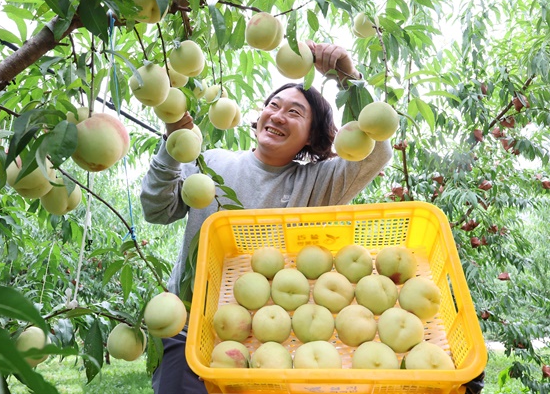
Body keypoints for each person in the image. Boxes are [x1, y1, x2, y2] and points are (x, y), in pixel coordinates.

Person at [140, 41, 393, 394]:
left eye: (294, 112)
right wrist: (173, 145)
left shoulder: (318, 182)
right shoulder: (211, 163)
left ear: (311, 137)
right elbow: (156, 210)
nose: (277, 115)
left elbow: (377, 152)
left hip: (275, 339)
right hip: (192, 322)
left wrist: (349, 80)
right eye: (273, 106)